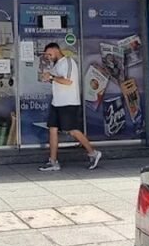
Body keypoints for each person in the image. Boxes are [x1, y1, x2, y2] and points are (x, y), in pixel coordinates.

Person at [38, 42, 102, 171]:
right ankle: (53, 161)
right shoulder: (57, 64)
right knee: (52, 129)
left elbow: (68, 81)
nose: (48, 57)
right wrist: (48, 78)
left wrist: (51, 77)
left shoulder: (68, 62)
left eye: (49, 54)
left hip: (68, 103)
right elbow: (57, 80)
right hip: (57, 102)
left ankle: (93, 153)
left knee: (73, 130)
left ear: (56, 50)